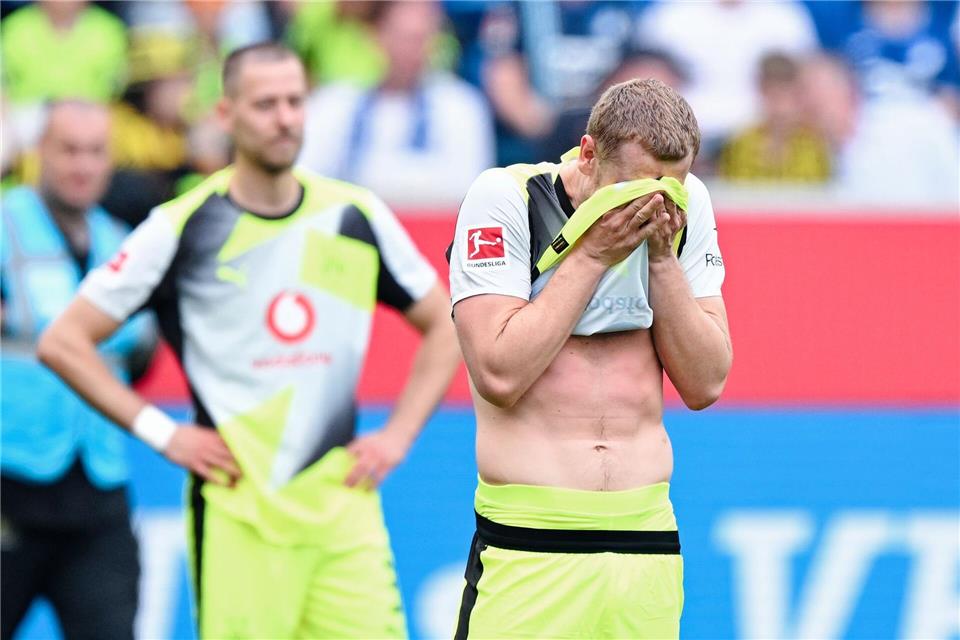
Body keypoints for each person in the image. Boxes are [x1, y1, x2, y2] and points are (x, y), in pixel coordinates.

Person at [38, 43, 461, 639]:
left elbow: (445, 322)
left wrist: (396, 436)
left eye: (294, 101)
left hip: (342, 515)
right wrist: (164, 433)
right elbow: (63, 341)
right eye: (265, 104)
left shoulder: (354, 214)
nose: (285, 117)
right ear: (225, 114)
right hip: (239, 514)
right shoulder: (181, 228)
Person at [448, 78, 732, 638]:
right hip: (529, 543)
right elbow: (499, 373)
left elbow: (706, 383)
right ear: (587, 153)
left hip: (646, 540)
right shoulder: (509, 199)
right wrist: (595, 252)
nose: (653, 204)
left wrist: (659, 260)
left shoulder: (686, 203)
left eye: (669, 189)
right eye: (632, 188)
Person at [1, 101, 156, 640]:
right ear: (39, 152)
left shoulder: (124, 242)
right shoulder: (4, 225)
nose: (81, 166)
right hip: (10, 486)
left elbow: (140, 356)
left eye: (95, 152)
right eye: (68, 150)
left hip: (96, 490)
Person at [299, 0, 493, 207]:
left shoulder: (462, 106)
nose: (412, 50)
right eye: (403, 38)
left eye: (421, 38)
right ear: (376, 37)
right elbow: (306, 179)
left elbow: (470, 189)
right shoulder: (334, 104)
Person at [718, 52, 831, 182]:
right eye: (774, 97)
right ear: (761, 92)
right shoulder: (740, 145)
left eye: (789, 97)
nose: (782, 108)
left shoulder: (815, 147)